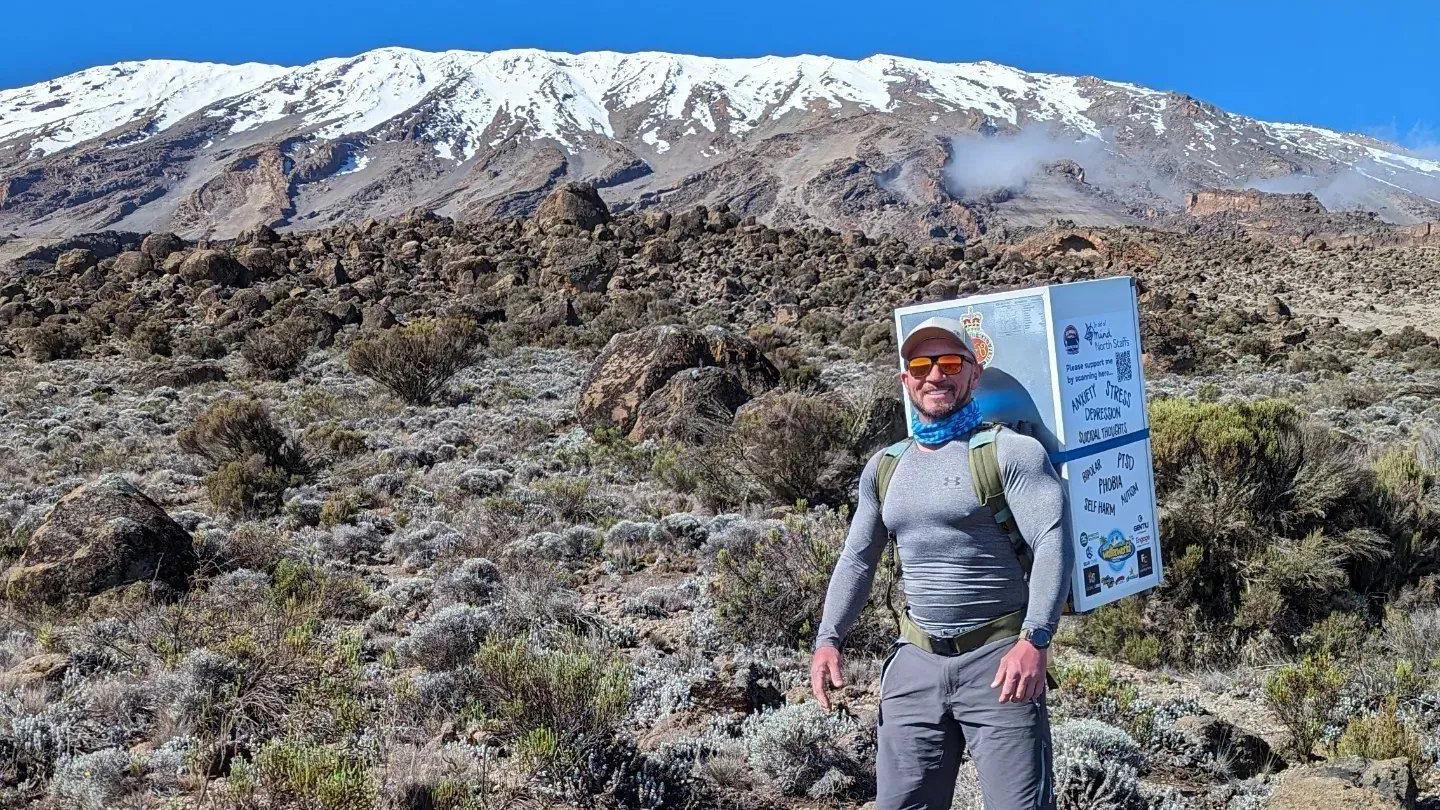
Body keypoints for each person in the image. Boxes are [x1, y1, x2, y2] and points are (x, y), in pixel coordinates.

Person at [810, 315, 1072, 810]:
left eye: (950, 362)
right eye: (922, 364)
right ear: (906, 378)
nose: (936, 375)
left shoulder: (1012, 454)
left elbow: (1053, 541)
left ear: (974, 374)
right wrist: (828, 638)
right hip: (915, 663)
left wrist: (1035, 640)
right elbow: (857, 560)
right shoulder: (886, 467)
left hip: (999, 663)